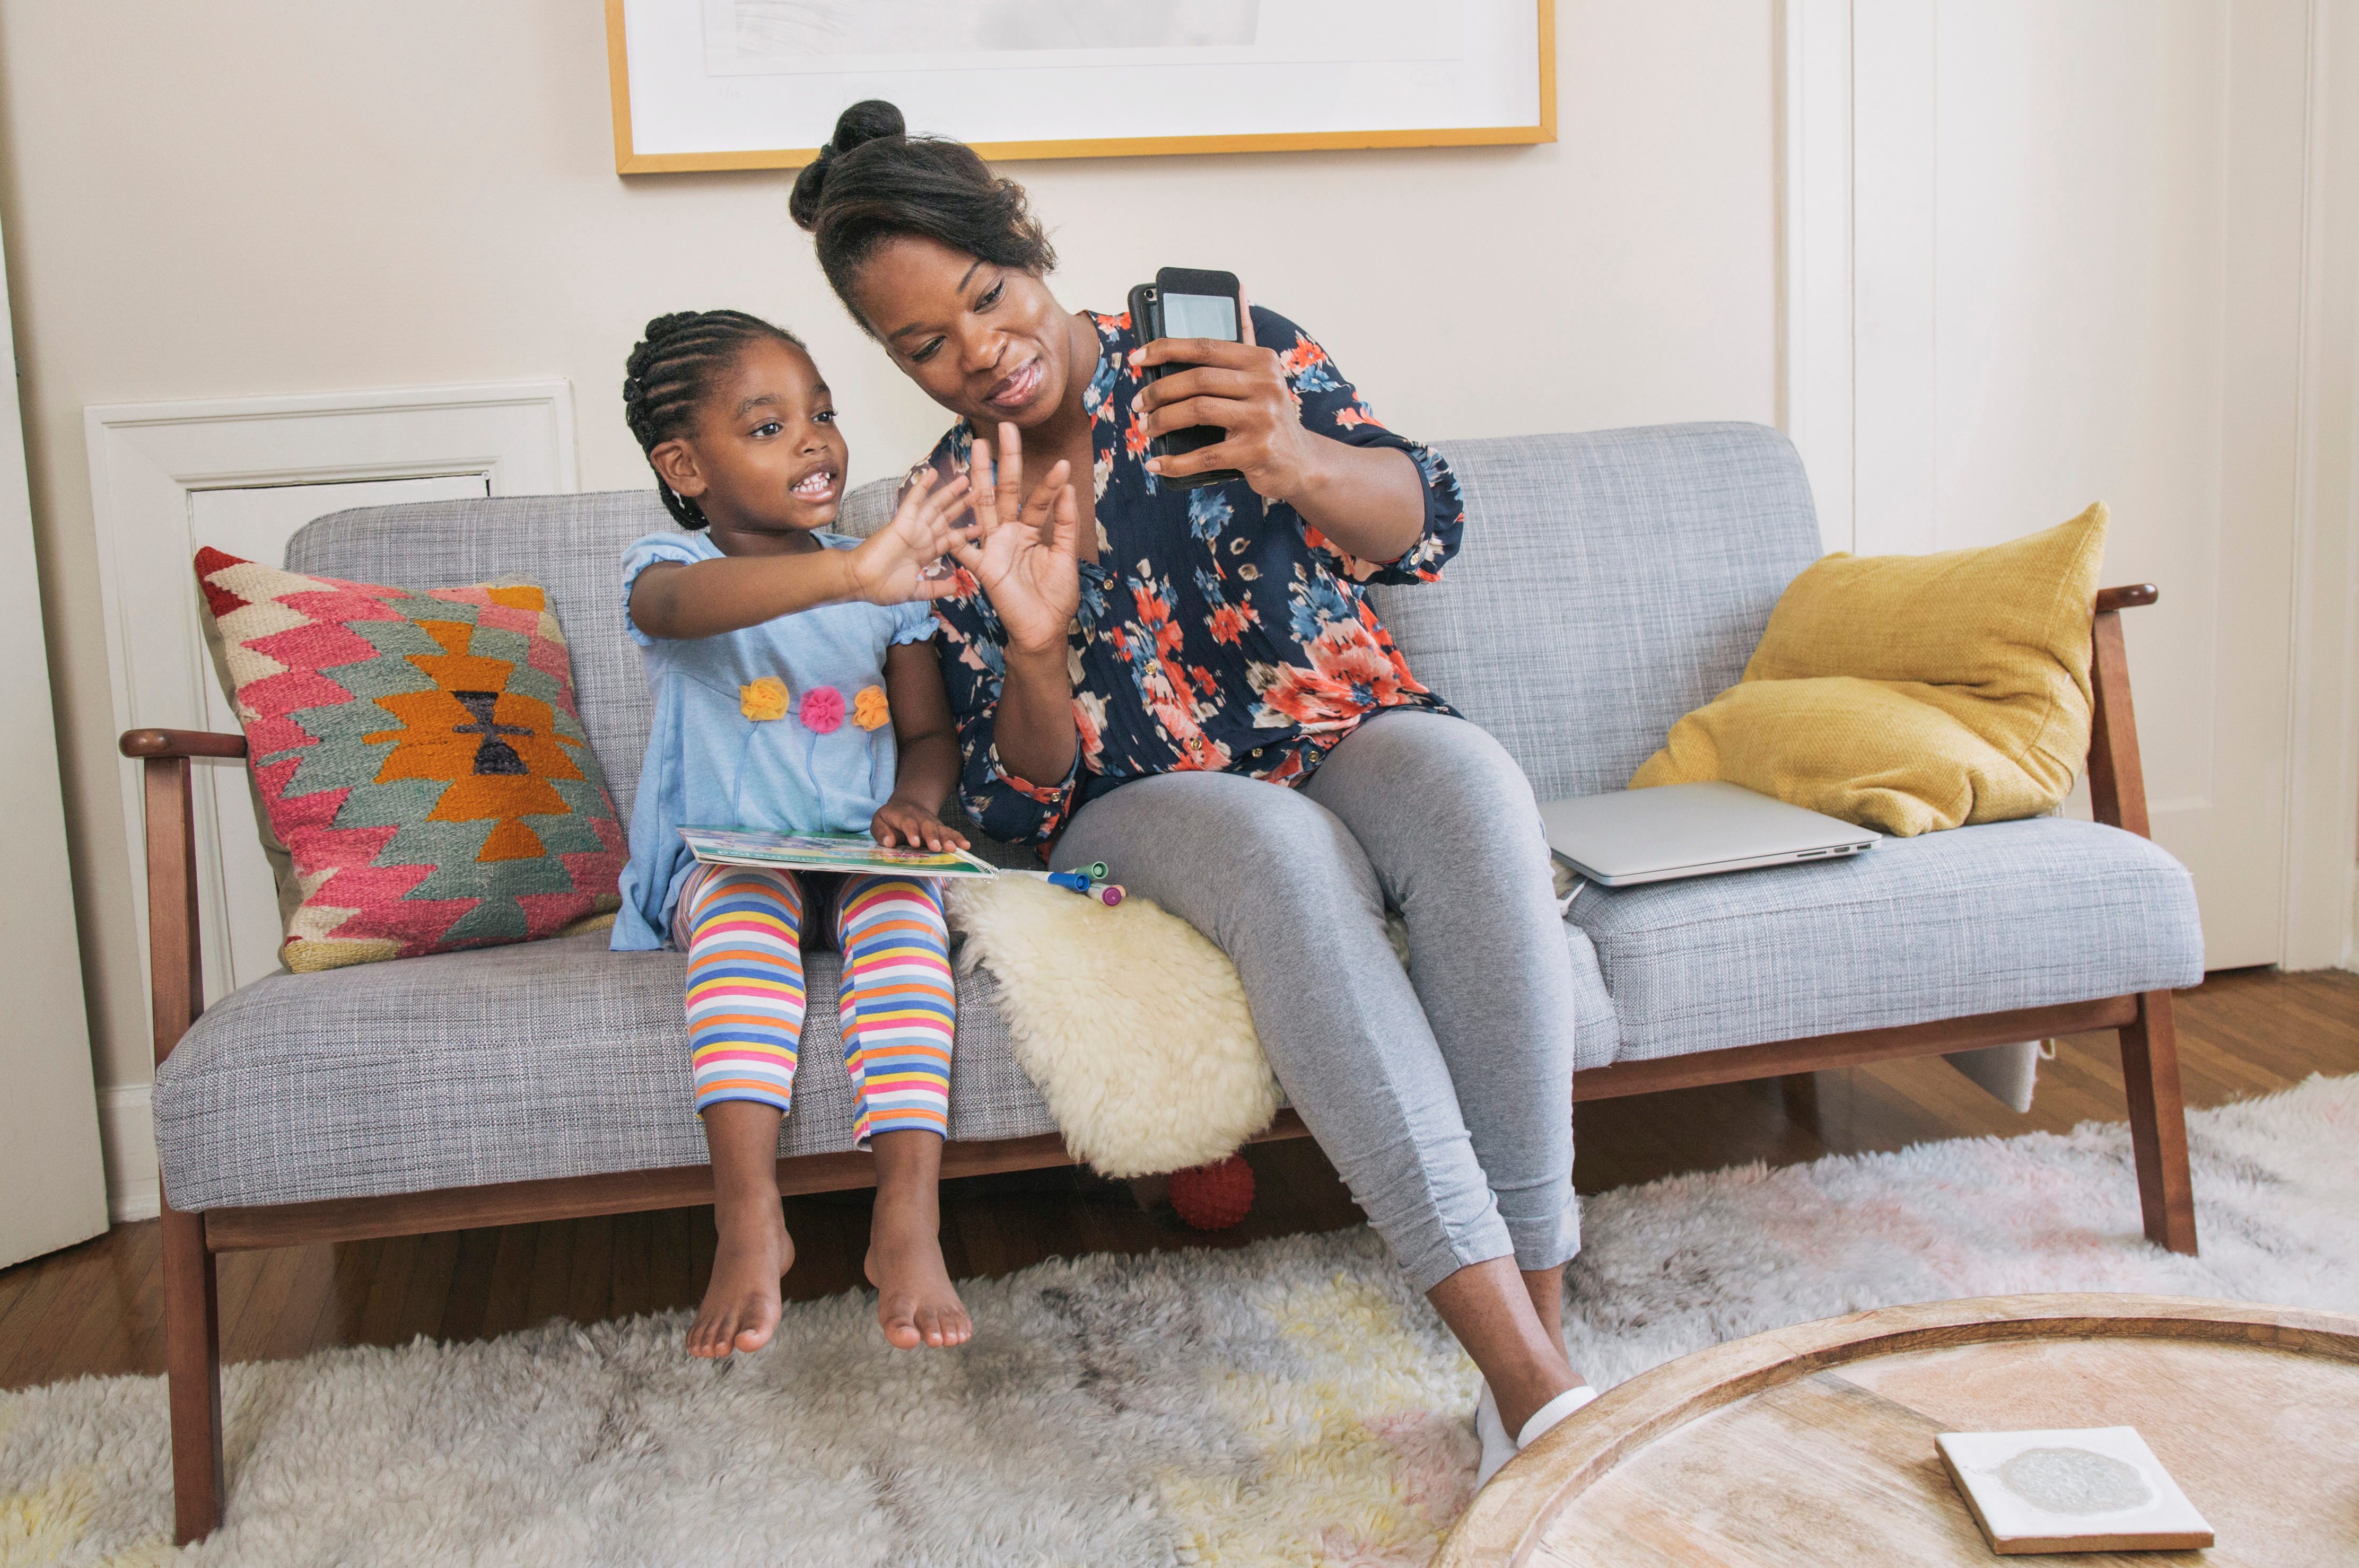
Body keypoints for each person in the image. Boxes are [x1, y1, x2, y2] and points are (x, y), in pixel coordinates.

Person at [789, 103, 1596, 1482]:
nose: (977, 351)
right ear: (891, 361)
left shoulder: (1227, 354)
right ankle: (1531, 1381)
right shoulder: (949, 509)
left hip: (1334, 719)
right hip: (1124, 815)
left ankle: (1547, 1357)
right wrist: (1035, 652)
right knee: (1277, 848)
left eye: (987, 298)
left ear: (1026, 247)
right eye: (923, 344)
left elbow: (1424, 519)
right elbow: (1020, 798)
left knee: (1470, 779)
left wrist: (1295, 455)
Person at [610, 308, 979, 1359]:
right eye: (768, 427)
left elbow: (925, 733)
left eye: (820, 413)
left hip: (857, 859)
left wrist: (916, 802)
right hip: (730, 862)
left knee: (907, 925)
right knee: (741, 919)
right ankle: (748, 1220)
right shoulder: (669, 565)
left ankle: (906, 1219)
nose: (814, 440)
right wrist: (853, 572)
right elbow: (680, 606)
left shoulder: (887, 590)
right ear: (686, 465)